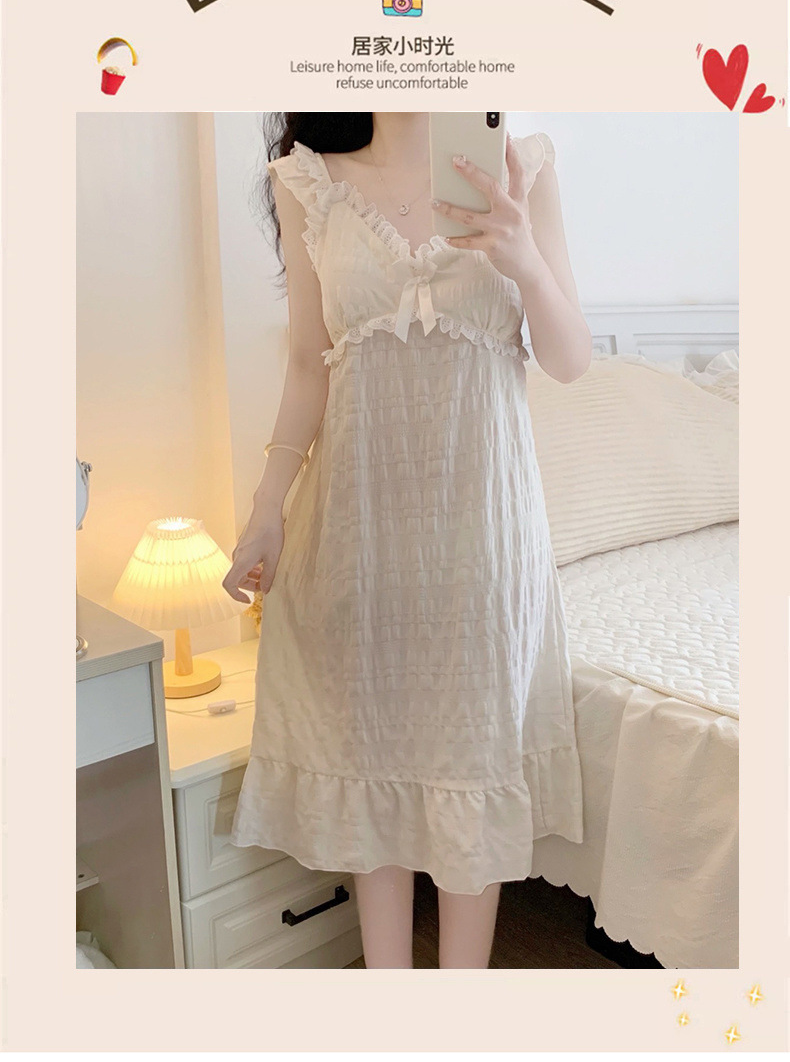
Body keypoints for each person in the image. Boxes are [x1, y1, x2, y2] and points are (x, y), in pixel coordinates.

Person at [225, 111, 591, 968]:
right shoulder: (307, 181)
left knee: (472, 766)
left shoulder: (521, 169)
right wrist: (268, 506)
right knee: (371, 770)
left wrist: (523, 257)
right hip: (358, 532)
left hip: (483, 538)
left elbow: (570, 358)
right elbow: (307, 363)